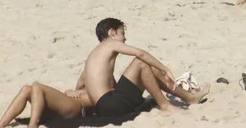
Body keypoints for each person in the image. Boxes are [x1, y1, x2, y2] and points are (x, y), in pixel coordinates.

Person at [76, 18, 210, 117]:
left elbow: (81, 83)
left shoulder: (93, 57)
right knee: (141, 62)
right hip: (113, 104)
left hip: (105, 107)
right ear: (112, 33)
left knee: (150, 69)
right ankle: (166, 106)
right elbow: (140, 54)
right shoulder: (110, 43)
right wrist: (165, 69)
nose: (125, 39)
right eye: (122, 33)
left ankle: (190, 98)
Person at [0, 83, 93, 128]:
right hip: (66, 103)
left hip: (78, 108)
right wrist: (69, 91)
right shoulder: (90, 77)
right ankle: (1, 124)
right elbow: (76, 90)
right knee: (26, 89)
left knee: (37, 86)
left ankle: (33, 125)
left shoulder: (103, 87)